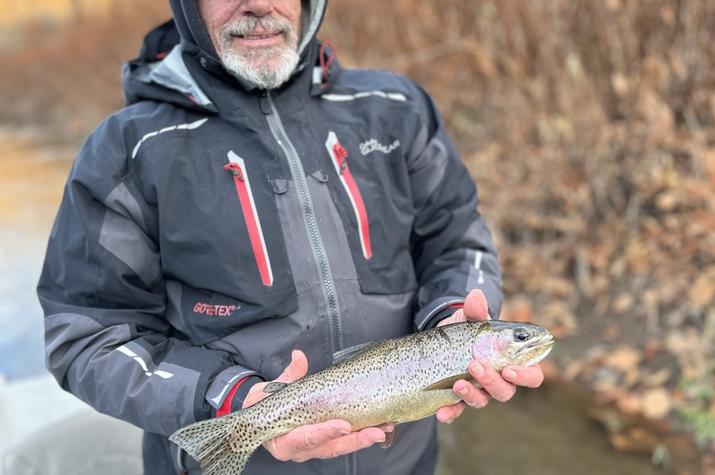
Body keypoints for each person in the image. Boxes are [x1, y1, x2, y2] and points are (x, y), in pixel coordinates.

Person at [37, 1, 544, 474]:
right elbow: (90, 336)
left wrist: (451, 318)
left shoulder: (396, 108)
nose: (257, 4)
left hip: (402, 462)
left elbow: (456, 237)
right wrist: (231, 399)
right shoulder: (126, 150)